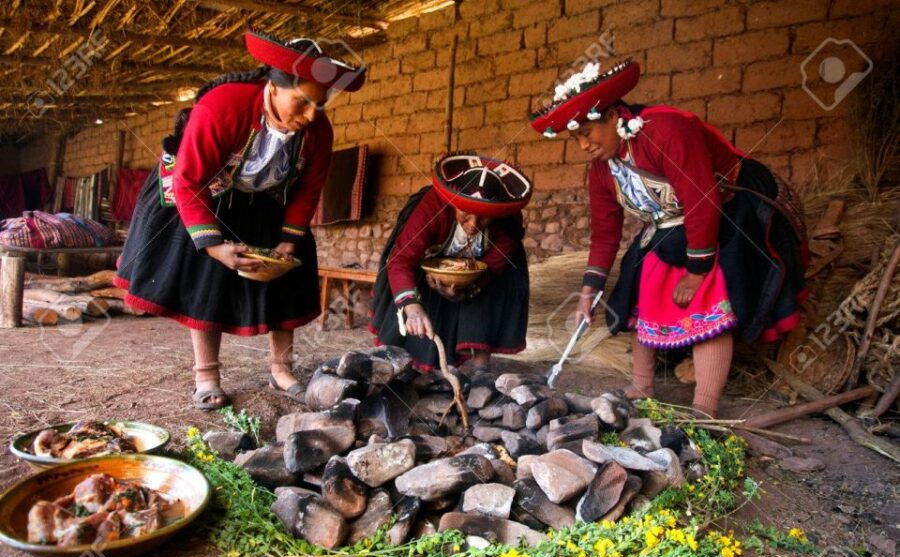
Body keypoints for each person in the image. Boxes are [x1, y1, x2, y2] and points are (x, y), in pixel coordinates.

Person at [530, 59, 807, 417]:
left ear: (614, 116)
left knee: (708, 303)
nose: (583, 145)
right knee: (643, 289)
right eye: (575, 137)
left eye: (587, 133)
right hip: (668, 223)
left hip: (724, 207)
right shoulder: (602, 169)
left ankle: (704, 408)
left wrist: (697, 271)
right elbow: (605, 231)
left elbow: (701, 199)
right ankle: (642, 386)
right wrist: (588, 292)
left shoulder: (667, 131)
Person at [114, 30, 365, 409]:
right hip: (203, 189)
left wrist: (287, 242)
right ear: (274, 87)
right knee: (206, 274)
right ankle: (207, 378)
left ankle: (281, 371)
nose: (312, 114)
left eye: (321, 105)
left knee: (290, 270)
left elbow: (308, 191)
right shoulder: (223, 107)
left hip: (266, 196)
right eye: (303, 102)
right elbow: (189, 180)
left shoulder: (318, 131)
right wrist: (214, 247)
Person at [369, 154, 533, 371]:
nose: (473, 225)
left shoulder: (506, 222)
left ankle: (480, 365)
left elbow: (494, 265)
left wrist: (471, 288)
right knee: (414, 291)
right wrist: (412, 307)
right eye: (465, 214)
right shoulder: (431, 208)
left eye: (483, 217)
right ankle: (412, 361)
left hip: (480, 272)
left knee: (504, 277)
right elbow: (401, 260)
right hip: (427, 267)